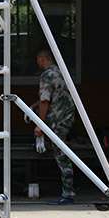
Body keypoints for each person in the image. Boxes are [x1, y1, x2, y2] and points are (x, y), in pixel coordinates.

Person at [30, 49, 76, 204]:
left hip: (56, 120)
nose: (37, 63)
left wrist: (40, 125)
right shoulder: (62, 72)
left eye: (38, 60)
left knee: (61, 154)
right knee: (62, 151)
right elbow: (57, 95)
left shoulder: (47, 75)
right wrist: (34, 105)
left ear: (42, 59)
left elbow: (45, 100)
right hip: (68, 117)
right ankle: (68, 192)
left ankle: (68, 194)